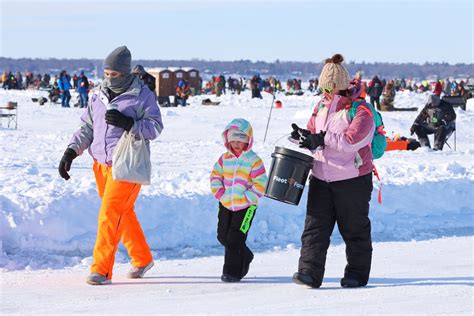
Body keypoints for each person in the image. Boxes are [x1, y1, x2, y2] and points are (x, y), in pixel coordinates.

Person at [58, 46, 164, 285]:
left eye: (114, 74)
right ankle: (142, 258)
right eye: (106, 73)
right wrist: (71, 151)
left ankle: (101, 269)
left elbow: (155, 126)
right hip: (101, 165)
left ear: (125, 73)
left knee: (109, 214)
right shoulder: (97, 95)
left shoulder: (142, 95)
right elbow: (87, 128)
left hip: (127, 163)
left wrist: (130, 123)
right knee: (122, 214)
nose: (109, 78)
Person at [290, 54, 375, 288]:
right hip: (320, 176)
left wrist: (322, 138)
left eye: (329, 88)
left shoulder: (362, 110)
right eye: (323, 88)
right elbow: (313, 130)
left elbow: (352, 140)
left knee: (354, 228)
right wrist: (304, 137)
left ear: (340, 86)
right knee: (314, 228)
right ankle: (309, 272)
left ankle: (356, 274)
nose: (325, 92)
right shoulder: (321, 106)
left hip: (352, 179)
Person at [210, 118, 268, 282]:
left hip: (247, 207)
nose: (236, 144)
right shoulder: (224, 159)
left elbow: (261, 183)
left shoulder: (253, 160)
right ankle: (246, 254)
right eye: (233, 140)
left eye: (240, 140)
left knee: (235, 238)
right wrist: (220, 193)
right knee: (223, 236)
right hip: (226, 204)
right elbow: (215, 176)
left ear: (247, 141)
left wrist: (248, 198)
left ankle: (232, 272)